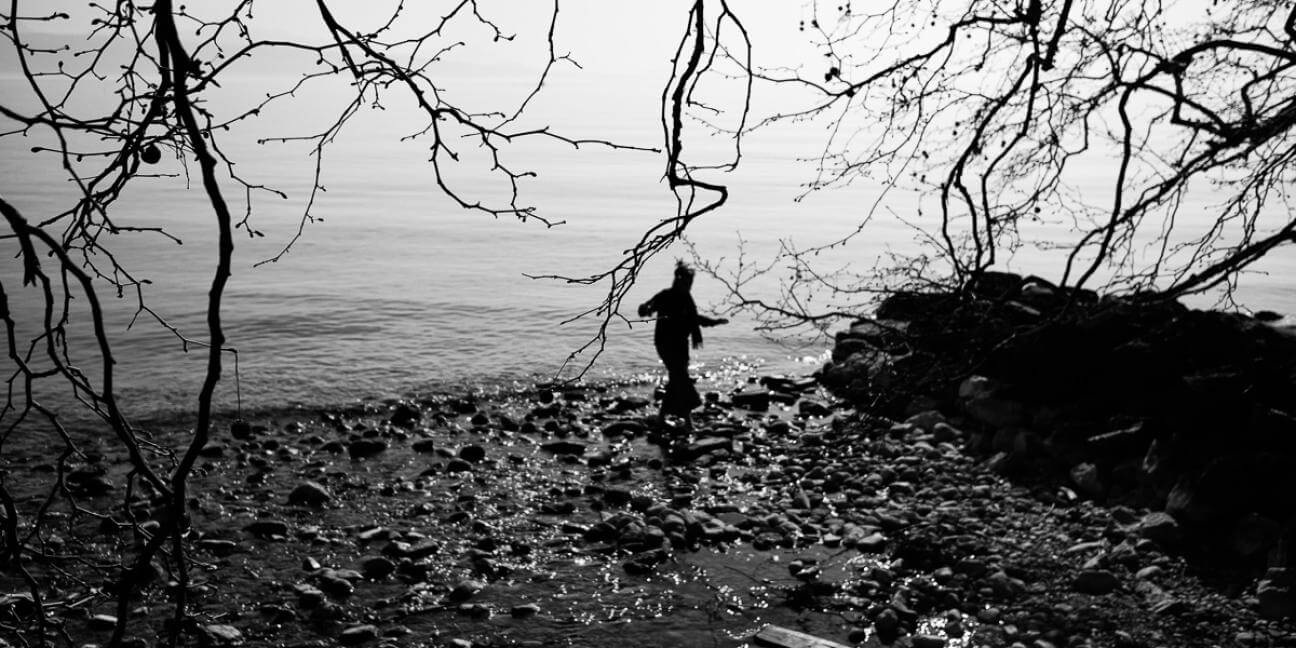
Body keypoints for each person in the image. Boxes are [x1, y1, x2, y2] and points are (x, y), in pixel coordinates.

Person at [638, 261, 728, 429]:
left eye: (690, 283)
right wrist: (645, 309)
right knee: (681, 379)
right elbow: (647, 308)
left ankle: (662, 419)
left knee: (676, 380)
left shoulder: (687, 299)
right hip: (665, 344)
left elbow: (695, 319)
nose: (688, 286)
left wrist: (715, 322)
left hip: (680, 345)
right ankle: (687, 421)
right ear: (678, 280)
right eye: (686, 282)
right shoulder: (665, 296)